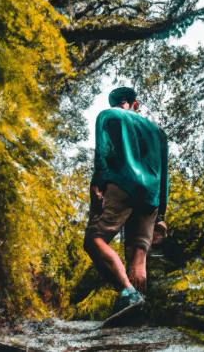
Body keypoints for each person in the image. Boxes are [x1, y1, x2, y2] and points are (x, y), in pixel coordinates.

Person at [83, 86, 169, 320]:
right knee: (136, 256)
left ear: (114, 103)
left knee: (94, 239)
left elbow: (103, 153)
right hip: (151, 196)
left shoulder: (108, 115)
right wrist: (160, 216)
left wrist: (97, 186)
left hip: (121, 184)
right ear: (134, 103)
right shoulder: (157, 131)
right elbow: (164, 173)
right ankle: (136, 314)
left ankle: (128, 293)